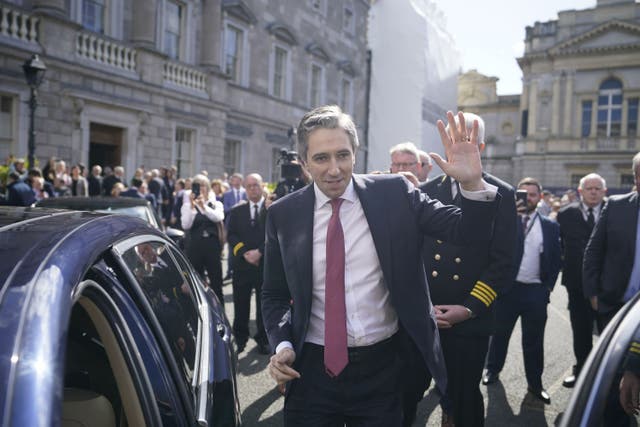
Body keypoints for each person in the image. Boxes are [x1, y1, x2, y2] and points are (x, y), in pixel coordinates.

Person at [262, 105, 500, 425]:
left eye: (342, 155)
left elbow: (467, 233)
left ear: (356, 154)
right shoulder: (283, 214)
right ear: (304, 162)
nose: (334, 169)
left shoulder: (394, 194)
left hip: (384, 371)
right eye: (321, 158)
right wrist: (284, 344)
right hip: (310, 373)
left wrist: (472, 184)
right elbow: (274, 294)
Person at [418, 112, 518, 427]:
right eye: (453, 137)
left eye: (467, 138)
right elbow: (411, 255)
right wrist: (420, 304)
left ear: (481, 146)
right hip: (424, 315)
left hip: (469, 318)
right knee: (407, 393)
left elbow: (503, 261)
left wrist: (470, 308)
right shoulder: (425, 190)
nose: (458, 144)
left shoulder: (501, 193)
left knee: (464, 400)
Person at [483, 177, 562, 405]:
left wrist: (547, 289)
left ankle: (535, 384)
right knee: (499, 336)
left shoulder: (550, 225)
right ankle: (492, 370)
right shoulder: (505, 222)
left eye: (533, 194)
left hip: (536, 293)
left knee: (534, 340)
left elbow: (556, 260)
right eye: (522, 194)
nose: (527, 198)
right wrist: (512, 218)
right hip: (507, 291)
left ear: (540, 198)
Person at [556, 173, 607, 388]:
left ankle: (610, 378)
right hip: (576, 285)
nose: (593, 192)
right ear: (580, 191)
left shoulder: (615, 211)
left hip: (608, 286)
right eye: (589, 188)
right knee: (581, 330)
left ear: (605, 192)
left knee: (609, 333)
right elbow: (558, 247)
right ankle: (582, 372)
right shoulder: (566, 214)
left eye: (597, 188)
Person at [584, 152, 640, 331]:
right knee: (615, 358)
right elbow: (593, 251)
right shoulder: (616, 206)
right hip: (614, 307)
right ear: (636, 179)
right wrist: (593, 294)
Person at [227, 173, 270, 354]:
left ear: (262, 187)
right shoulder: (237, 211)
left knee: (264, 305)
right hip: (242, 265)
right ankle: (240, 338)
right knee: (240, 303)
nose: (253, 188)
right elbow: (232, 235)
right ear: (245, 188)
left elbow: (274, 235)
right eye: (249, 186)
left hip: (264, 265)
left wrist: (260, 252)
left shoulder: (271, 210)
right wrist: (245, 253)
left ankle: (263, 339)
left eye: (256, 185)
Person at [181, 175, 225, 304]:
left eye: (203, 185)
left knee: (216, 282)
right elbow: (186, 225)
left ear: (208, 188)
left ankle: (220, 310)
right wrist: (192, 206)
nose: (200, 189)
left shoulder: (215, 204)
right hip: (194, 247)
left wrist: (204, 207)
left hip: (212, 247)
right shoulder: (187, 206)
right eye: (197, 186)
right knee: (195, 283)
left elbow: (218, 217)